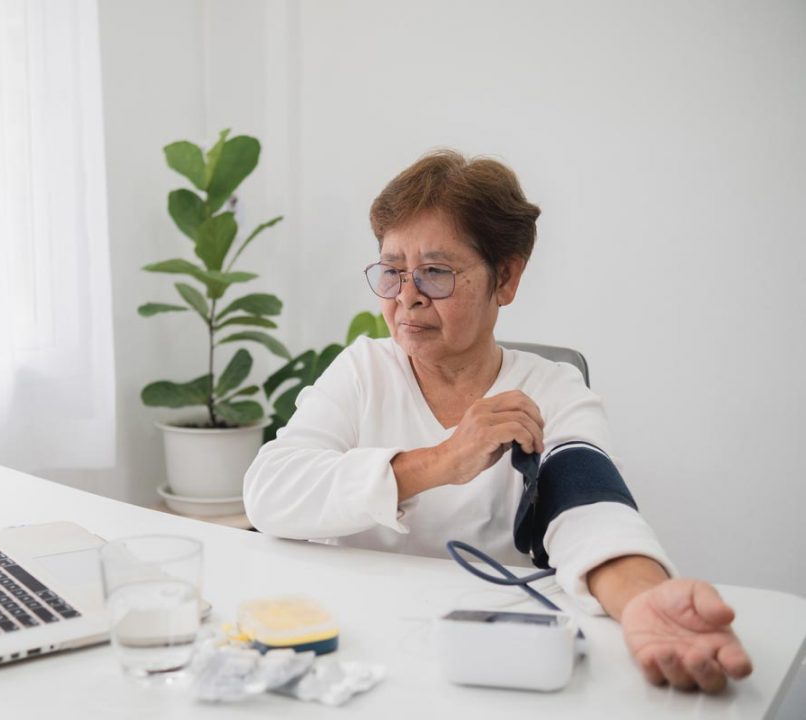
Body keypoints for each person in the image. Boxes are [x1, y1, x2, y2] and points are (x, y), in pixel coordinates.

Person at [243, 150, 752, 693]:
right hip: (359, 650)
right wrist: (441, 461)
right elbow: (269, 492)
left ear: (505, 278)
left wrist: (643, 599)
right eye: (392, 272)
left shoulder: (549, 391)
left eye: (435, 273)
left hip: (491, 660)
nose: (407, 297)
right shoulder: (363, 370)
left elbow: (590, 510)